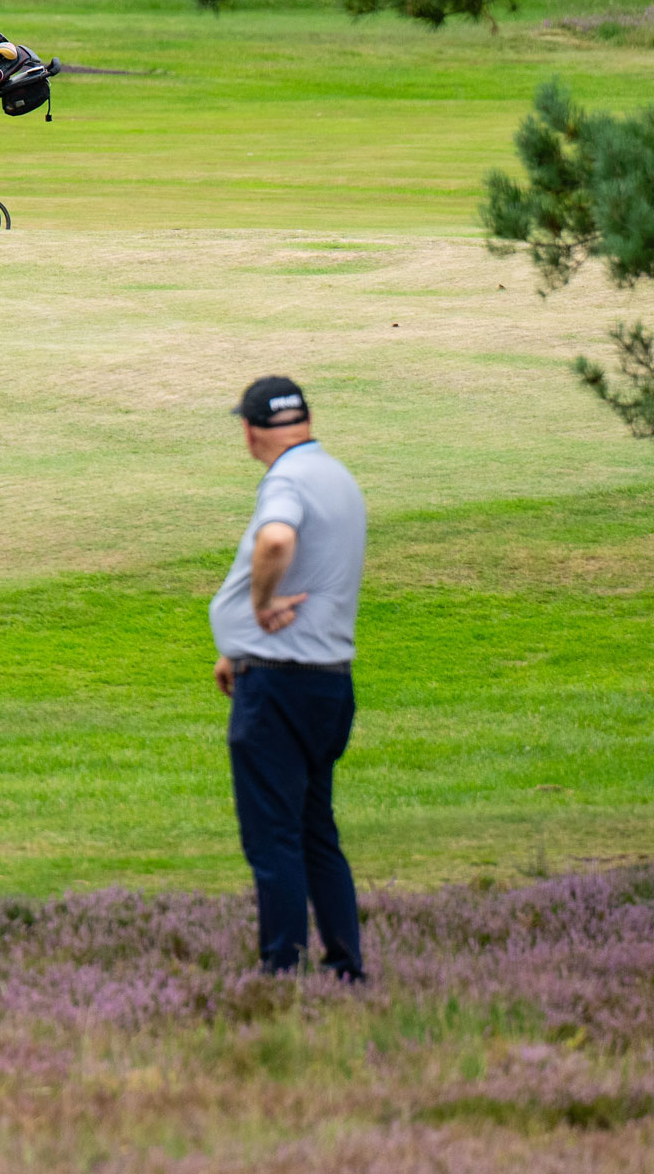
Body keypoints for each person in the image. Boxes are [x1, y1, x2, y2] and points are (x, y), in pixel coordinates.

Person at [209, 376, 369, 981]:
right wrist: (237, 647)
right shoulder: (337, 476)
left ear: (251, 431)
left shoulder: (287, 480)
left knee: (272, 836)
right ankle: (346, 967)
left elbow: (277, 540)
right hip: (326, 681)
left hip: (277, 687)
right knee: (314, 831)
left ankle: (281, 971)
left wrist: (256, 607)